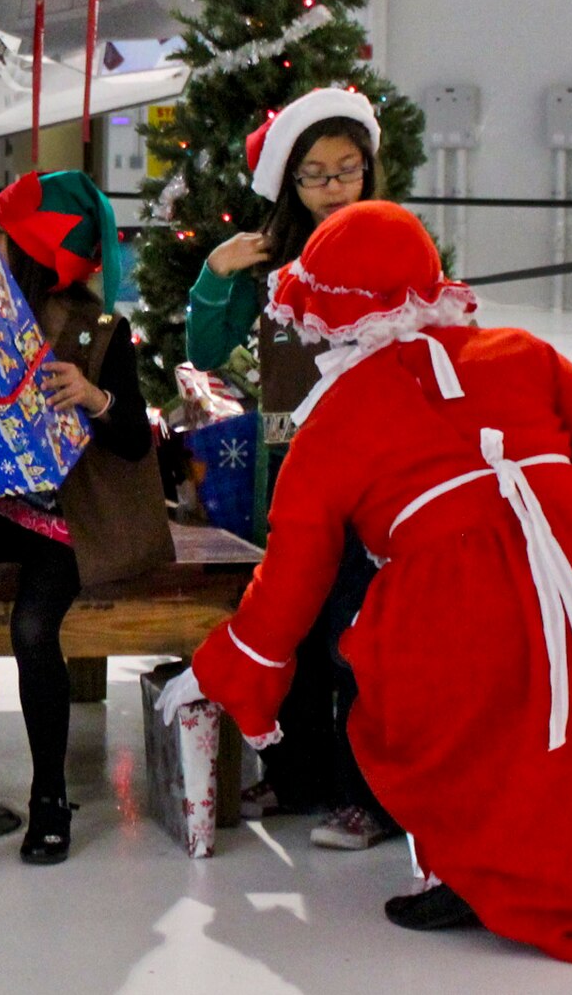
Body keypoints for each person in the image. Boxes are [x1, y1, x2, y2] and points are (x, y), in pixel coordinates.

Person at [157, 201, 572, 968]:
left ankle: (473, 876)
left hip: (462, 600)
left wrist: (221, 666)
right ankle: (554, 880)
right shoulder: (523, 351)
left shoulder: (329, 421)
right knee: (564, 731)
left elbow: (289, 585)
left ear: (330, 313)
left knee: (414, 719)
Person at [0, 171, 160, 865]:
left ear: (33, 251)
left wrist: (95, 395)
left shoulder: (101, 329)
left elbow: (138, 440)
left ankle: (50, 796)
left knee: (32, 628)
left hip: (65, 520)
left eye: (3, 235)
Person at [184, 86, 392, 848]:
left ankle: (366, 796)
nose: (335, 187)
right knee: (294, 630)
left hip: (371, 480)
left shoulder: (391, 243)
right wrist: (215, 273)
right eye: (316, 173)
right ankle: (302, 778)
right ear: (289, 181)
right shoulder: (271, 263)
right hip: (292, 475)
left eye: (347, 169)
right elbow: (206, 351)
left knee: (353, 635)